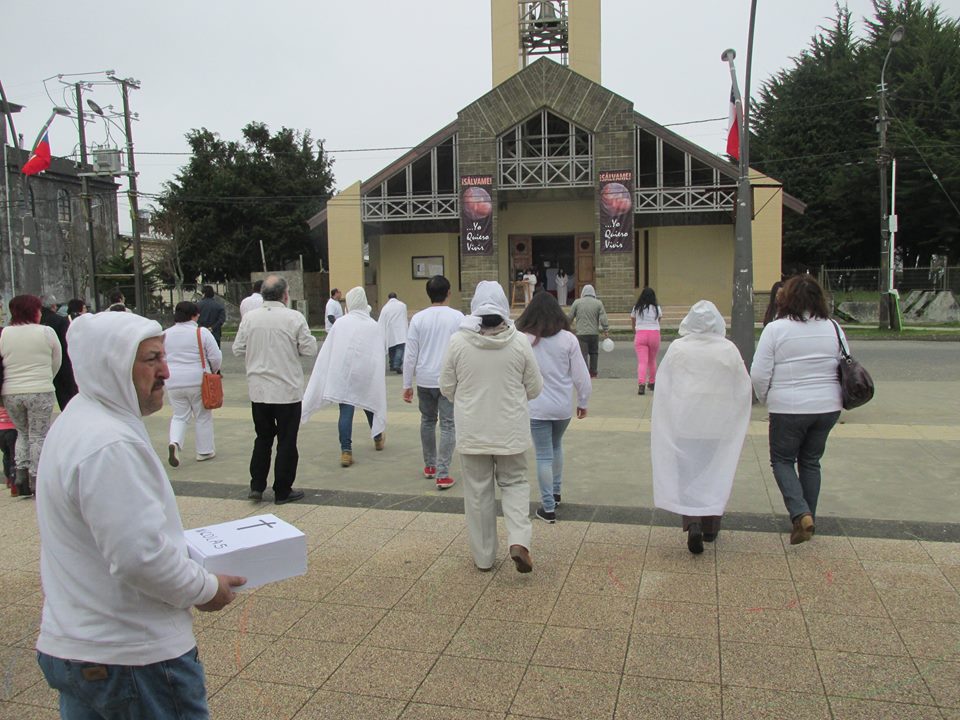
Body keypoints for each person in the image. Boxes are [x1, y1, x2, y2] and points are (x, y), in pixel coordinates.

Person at [35, 311, 244, 718]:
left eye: (163, 357)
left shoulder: (79, 418)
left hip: (82, 647)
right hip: (132, 659)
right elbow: (139, 556)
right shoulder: (110, 444)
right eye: (151, 359)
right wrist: (206, 588)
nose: (166, 371)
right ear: (112, 365)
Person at [440, 281, 542, 573]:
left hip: (473, 432)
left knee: (478, 493)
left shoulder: (458, 342)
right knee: (515, 484)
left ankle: (484, 558)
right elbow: (535, 387)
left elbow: (446, 386)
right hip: (511, 431)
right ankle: (519, 540)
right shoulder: (520, 342)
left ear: (475, 309)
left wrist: (466, 399)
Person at [651, 301, 752, 553]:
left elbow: (665, 384)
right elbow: (742, 385)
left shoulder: (678, 348)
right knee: (713, 471)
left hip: (685, 421)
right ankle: (710, 526)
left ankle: (692, 521)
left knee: (687, 471)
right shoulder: (728, 349)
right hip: (717, 421)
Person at [750, 274, 844, 545]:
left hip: (789, 407)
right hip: (828, 406)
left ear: (786, 298)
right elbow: (844, 362)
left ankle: (801, 514)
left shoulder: (776, 329)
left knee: (782, 460)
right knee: (811, 461)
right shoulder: (833, 327)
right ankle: (808, 518)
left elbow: (759, 374)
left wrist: (766, 398)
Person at [233, 274, 317, 504]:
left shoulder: (250, 318)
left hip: (259, 390)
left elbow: (238, 349)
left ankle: (257, 485)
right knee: (287, 440)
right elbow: (309, 349)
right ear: (285, 295)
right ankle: (282, 489)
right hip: (286, 390)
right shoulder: (294, 317)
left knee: (262, 438)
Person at [515, 291, 590, 524]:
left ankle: (547, 507)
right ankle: (555, 493)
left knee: (543, 455)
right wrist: (583, 401)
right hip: (562, 408)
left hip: (536, 407)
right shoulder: (568, 339)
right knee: (556, 447)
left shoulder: (522, 339)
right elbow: (581, 376)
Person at [302, 287, 387, 467]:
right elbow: (378, 352)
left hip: (344, 374)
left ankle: (346, 451)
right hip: (364, 374)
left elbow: (330, 350)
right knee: (369, 404)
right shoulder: (373, 325)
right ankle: (378, 437)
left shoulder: (340, 324)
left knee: (346, 411)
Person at [403, 275, 464, 490]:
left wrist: (407, 384)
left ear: (428, 294)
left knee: (427, 421)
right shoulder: (458, 317)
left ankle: (430, 465)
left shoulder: (418, 319)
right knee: (448, 425)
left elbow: (410, 354)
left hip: (424, 378)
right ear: (449, 292)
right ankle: (443, 473)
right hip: (448, 379)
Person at [0, 295, 61, 497]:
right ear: (34, 311)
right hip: (40, 388)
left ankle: (21, 474)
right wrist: (47, 378)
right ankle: (37, 476)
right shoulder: (46, 332)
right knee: (38, 435)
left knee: (22, 433)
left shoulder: (4, 333)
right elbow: (57, 360)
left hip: (11, 391)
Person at [164, 301, 223, 467]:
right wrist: (213, 371)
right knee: (202, 415)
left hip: (173, 380)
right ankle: (204, 451)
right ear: (194, 315)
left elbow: (161, 357)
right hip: (198, 379)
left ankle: (175, 442)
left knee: (179, 415)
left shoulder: (165, 334)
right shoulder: (201, 332)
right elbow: (216, 356)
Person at [40, 294, 79, 409]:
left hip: (42, 365)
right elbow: (67, 343)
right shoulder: (60, 321)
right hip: (62, 363)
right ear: (53, 306)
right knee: (66, 396)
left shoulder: (36, 321)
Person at [568, 284, 609, 378]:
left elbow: (570, 316)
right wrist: (605, 329)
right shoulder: (598, 303)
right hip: (594, 333)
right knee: (594, 353)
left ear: (583, 292)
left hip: (581, 333)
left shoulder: (577, 302)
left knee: (583, 354)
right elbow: (603, 317)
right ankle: (593, 372)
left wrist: (566, 326)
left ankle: (584, 373)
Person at [631, 287, 662, 395]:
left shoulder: (637, 308)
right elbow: (658, 320)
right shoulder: (657, 308)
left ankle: (641, 385)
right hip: (654, 334)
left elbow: (633, 320)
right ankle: (652, 383)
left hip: (641, 334)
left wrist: (635, 331)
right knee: (652, 360)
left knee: (642, 362)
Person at [378, 292, 408, 374]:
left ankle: (392, 365)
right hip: (401, 329)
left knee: (391, 347)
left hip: (390, 330)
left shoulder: (385, 308)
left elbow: (381, 320)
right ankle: (396, 364)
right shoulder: (402, 305)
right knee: (400, 347)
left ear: (388, 298)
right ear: (396, 297)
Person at [0, 405, 17, 495]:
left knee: (6, 454)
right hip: (12, 429)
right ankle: (14, 483)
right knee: (14, 456)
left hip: (0, 430)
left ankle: (8, 479)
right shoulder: (10, 400)